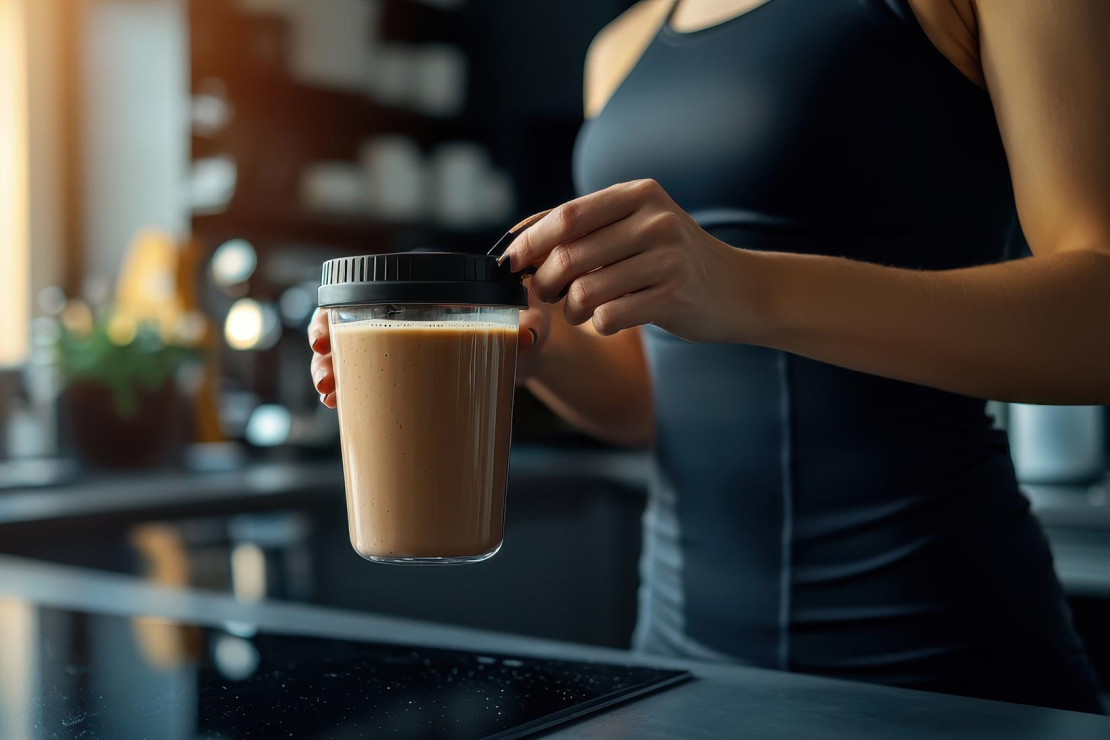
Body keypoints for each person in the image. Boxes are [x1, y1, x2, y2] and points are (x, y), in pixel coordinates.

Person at [309, 0, 1109, 713]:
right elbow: (647, 400)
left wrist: (745, 285)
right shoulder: (622, 46)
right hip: (679, 659)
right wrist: (526, 346)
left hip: (943, 665)